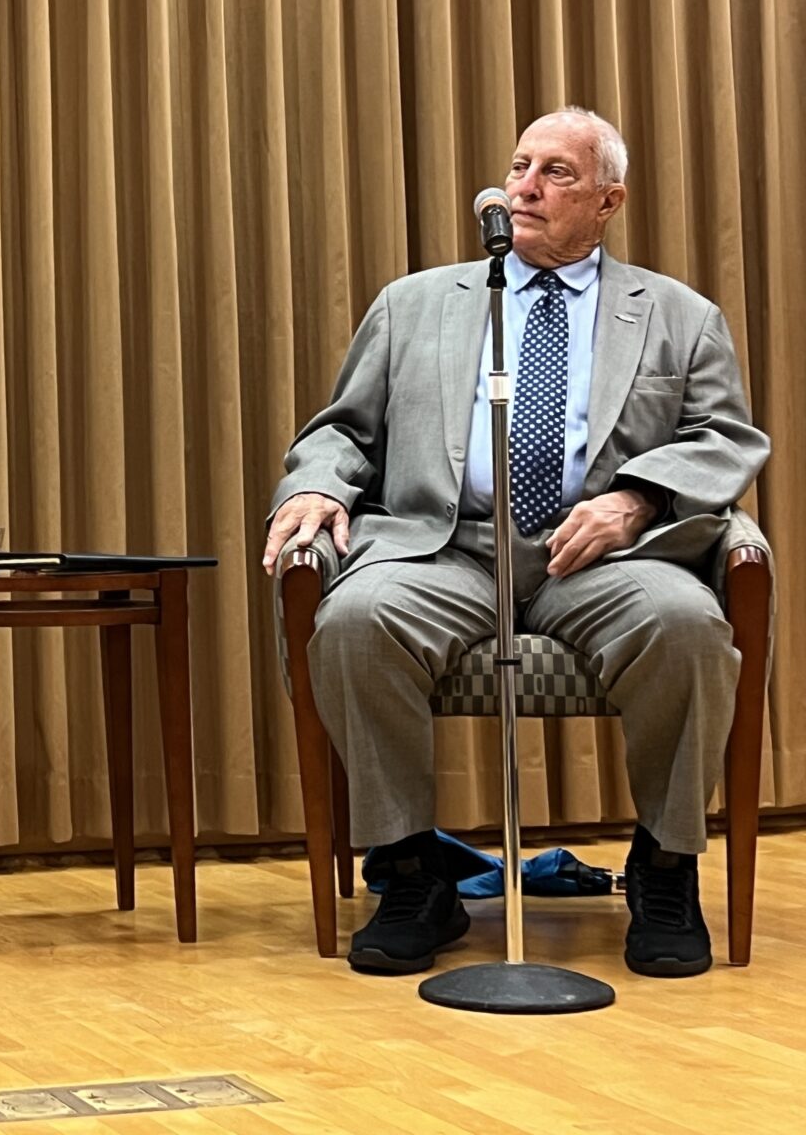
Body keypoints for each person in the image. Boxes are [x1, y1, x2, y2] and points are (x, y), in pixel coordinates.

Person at [263, 107, 768, 979]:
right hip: (444, 546)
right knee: (353, 622)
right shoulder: (416, 304)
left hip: (605, 556)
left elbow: (726, 438)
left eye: (556, 173)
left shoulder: (679, 316)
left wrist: (639, 498)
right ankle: (414, 871)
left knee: (688, 629)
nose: (523, 187)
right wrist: (314, 481)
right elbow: (345, 430)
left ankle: (666, 865)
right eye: (519, 166)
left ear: (608, 201)